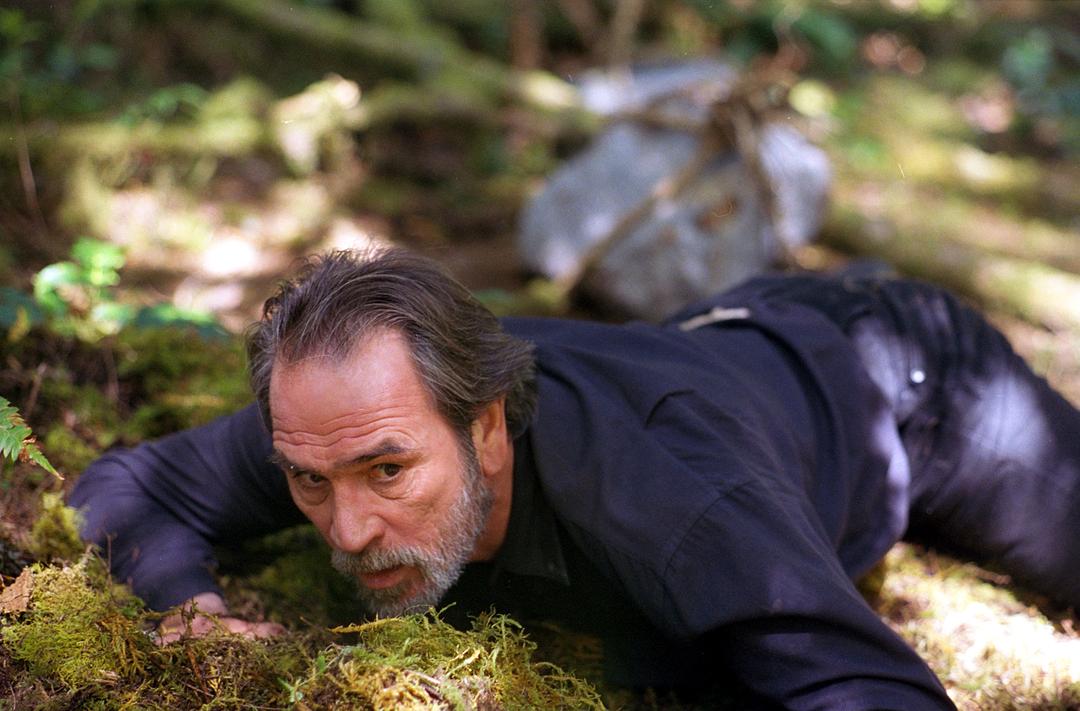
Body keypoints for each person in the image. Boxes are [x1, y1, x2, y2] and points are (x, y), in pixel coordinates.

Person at [70, 248, 1080, 710]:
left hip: (908, 383)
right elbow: (125, 487)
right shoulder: (341, 418)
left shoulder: (675, 501)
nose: (347, 529)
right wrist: (191, 607)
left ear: (487, 428)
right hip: (724, 337)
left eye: (388, 472)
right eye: (308, 482)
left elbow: (873, 691)